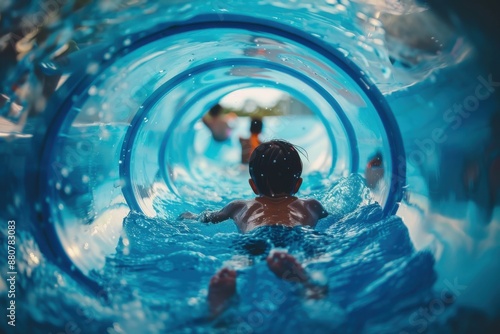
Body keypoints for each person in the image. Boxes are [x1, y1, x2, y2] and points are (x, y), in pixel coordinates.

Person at [179, 140, 329, 316]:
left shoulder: (239, 206)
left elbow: (208, 218)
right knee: (312, 259)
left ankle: (222, 300)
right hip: (297, 235)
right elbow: (339, 219)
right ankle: (306, 284)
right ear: (298, 184)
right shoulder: (311, 205)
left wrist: (190, 216)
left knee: (240, 261)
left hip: (256, 237)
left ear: (252, 185)